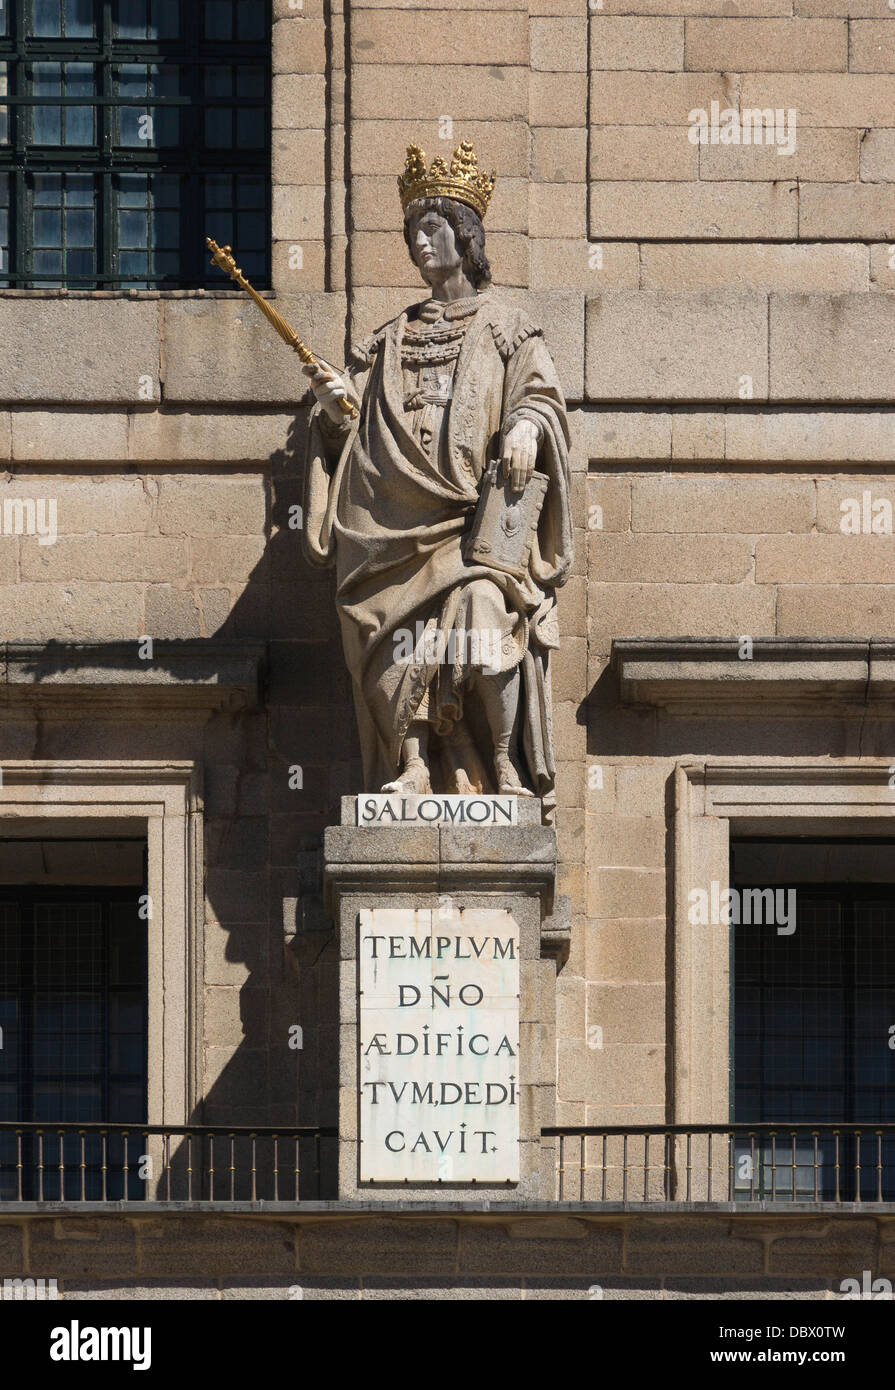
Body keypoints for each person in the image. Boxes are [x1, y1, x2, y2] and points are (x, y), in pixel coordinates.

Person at [302, 140, 573, 812]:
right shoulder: (387, 339)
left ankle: (503, 764)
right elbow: (352, 435)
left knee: (483, 614)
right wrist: (336, 411)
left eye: (432, 228)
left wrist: (524, 427)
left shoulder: (509, 328)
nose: (420, 243)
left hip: (472, 525)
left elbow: (541, 398)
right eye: (412, 232)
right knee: (388, 626)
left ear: (465, 235)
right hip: (390, 526)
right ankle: (416, 764)